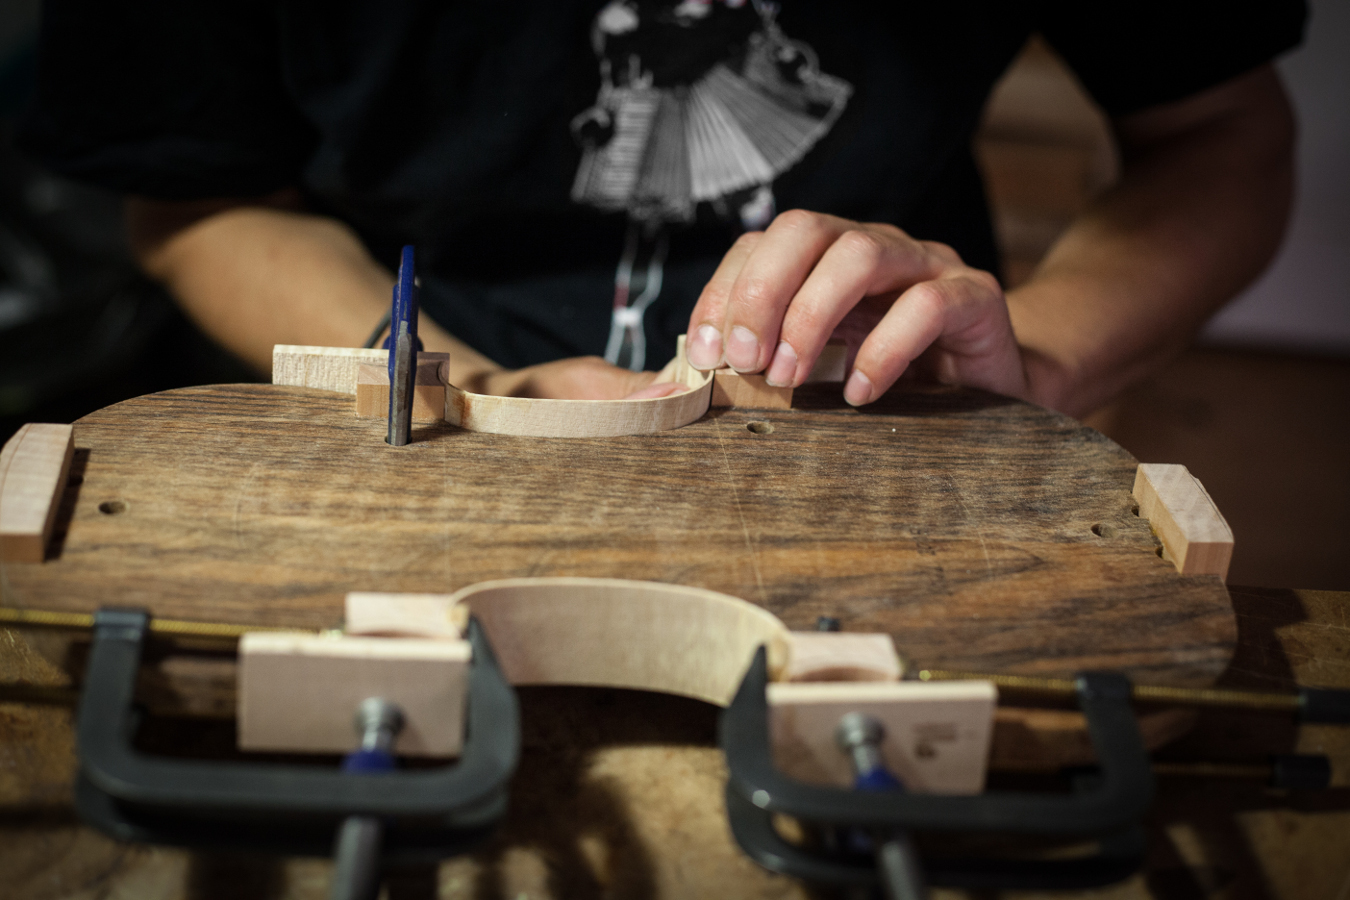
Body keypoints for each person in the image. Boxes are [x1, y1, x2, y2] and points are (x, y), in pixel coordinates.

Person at [21, 0, 1304, 417]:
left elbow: (1216, 132)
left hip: (866, 412)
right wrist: (463, 395)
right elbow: (193, 201)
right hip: (410, 407)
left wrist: (1041, 354)